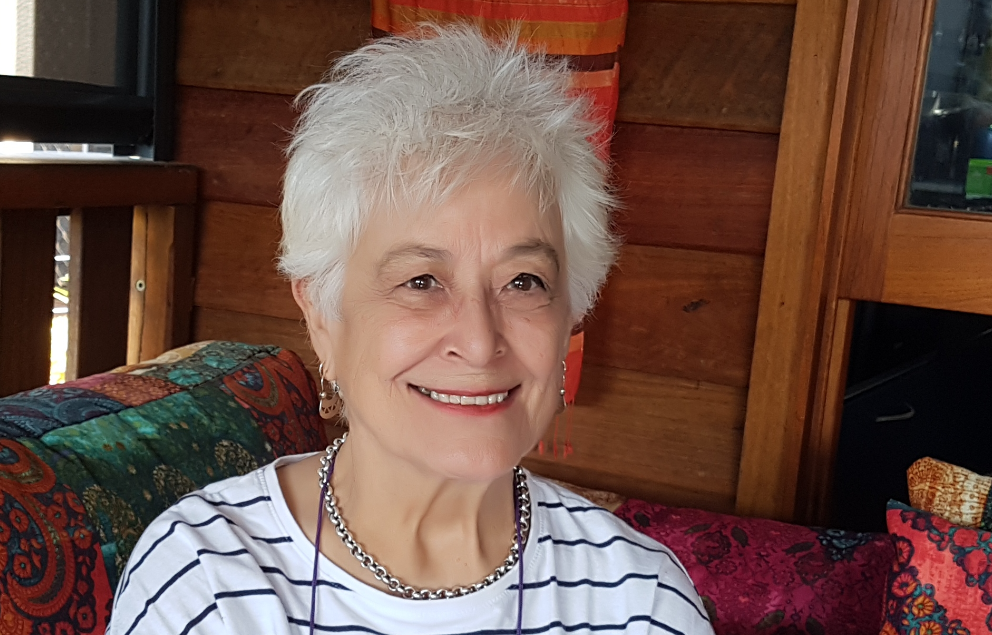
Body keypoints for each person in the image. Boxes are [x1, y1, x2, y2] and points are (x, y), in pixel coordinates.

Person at [109, 25, 714, 635]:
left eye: (523, 281)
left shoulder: (643, 600)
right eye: (421, 281)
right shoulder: (206, 580)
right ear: (323, 316)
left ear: (569, 315)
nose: (480, 342)